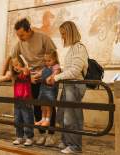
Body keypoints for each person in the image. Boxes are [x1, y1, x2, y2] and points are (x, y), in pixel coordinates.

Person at [3, 18, 57, 146]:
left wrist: (47, 74)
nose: (20, 38)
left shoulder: (43, 38)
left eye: (21, 35)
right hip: (32, 78)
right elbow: (11, 57)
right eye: (18, 35)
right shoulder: (20, 43)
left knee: (48, 106)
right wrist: (4, 73)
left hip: (46, 76)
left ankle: (51, 135)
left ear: (29, 30)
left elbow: (54, 57)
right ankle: (42, 134)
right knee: (36, 106)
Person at [47, 21, 88, 154]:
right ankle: (66, 141)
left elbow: (75, 71)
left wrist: (56, 77)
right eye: (61, 34)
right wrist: (58, 73)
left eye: (64, 34)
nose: (62, 37)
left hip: (75, 85)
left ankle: (75, 146)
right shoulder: (72, 49)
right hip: (68, 85)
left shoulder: (79, 48)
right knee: (61, 115)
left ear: (70, 33)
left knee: (71, 117)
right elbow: (70, 69)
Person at [0, 56, 34, 146]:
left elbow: (26, 70)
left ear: (22, 63)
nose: (16, 67)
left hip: (26, 101)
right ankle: (19, 136)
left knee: (27, 119)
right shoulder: (13, 75)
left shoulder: (25, 72)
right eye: (13, 66)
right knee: (17, 119)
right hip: (17, 101)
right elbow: (3, 78)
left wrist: (21, 67)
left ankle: (29, 137)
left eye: (17, 64)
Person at [34, 50, 60, 127]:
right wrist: (34, 76)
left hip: (50, 89)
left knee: (48, 106)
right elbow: (40, 73)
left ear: (55, 59)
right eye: (45, 61)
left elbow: (56, 72)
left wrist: (51, 76)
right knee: (42, 105)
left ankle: (48, 120)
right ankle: (43, 119)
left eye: (49, 60)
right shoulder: (45, 67)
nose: (47, 62)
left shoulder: (56, 67)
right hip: (43, 88)